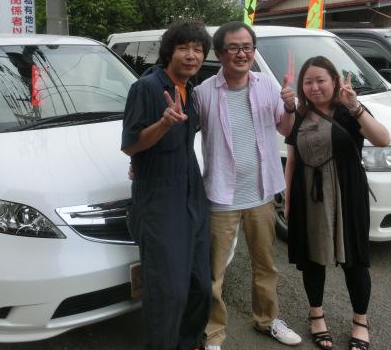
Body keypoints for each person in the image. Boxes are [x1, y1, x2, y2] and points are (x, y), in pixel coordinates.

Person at [193, 21, 302, 349]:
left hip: (261, 193)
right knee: (214, 273)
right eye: (234, 48)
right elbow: (182, 136)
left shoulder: (267, 84)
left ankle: (267, 319)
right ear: (219, 53)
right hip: (221, 196)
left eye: (247, 47)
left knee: (265, 265)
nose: (242, 54)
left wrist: (290, 106)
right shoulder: (203, 93)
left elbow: (286, 130)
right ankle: (213, 333)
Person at [284, 56, 390, 350]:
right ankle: (316, 315)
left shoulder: (349, 110)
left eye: (321, 80)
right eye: (308, 81)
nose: (314, 87)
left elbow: (382, 139)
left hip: (347, 195)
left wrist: (355, 106)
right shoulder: (300, 115)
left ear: (334, 81)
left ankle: (360, 321)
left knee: (355, 262)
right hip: (308, 197)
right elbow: (292, 160)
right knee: (312, 260)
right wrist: (289, 201)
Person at [121, 20, 212, 350]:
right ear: (169, 52)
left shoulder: (191, 89)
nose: (191, 55)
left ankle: (189, 342)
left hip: (192, 194)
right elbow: (131, 144)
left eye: (198, 49)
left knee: (201, 286)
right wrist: (163, 123)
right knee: (168, 292)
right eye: (183, 48)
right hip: (160, 200)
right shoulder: (146, 88)